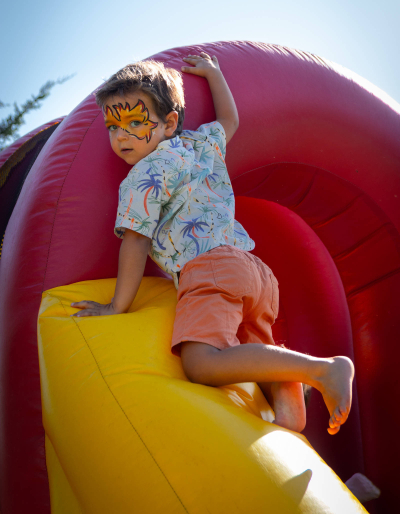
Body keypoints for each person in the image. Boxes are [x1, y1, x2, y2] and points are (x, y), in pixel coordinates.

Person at [70, 52, 354, 435]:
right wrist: (215, 74)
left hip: (209, 267)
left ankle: (321, 368)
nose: (121, 136)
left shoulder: (144, 175)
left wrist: (116, 307)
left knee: (201, 363)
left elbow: (135, 240)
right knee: (261, 359)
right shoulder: (201, 144)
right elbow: (229, 121)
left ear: (169, 122)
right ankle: (289, 411)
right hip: (255, 272)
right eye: (112, 126)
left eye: (135, 122)